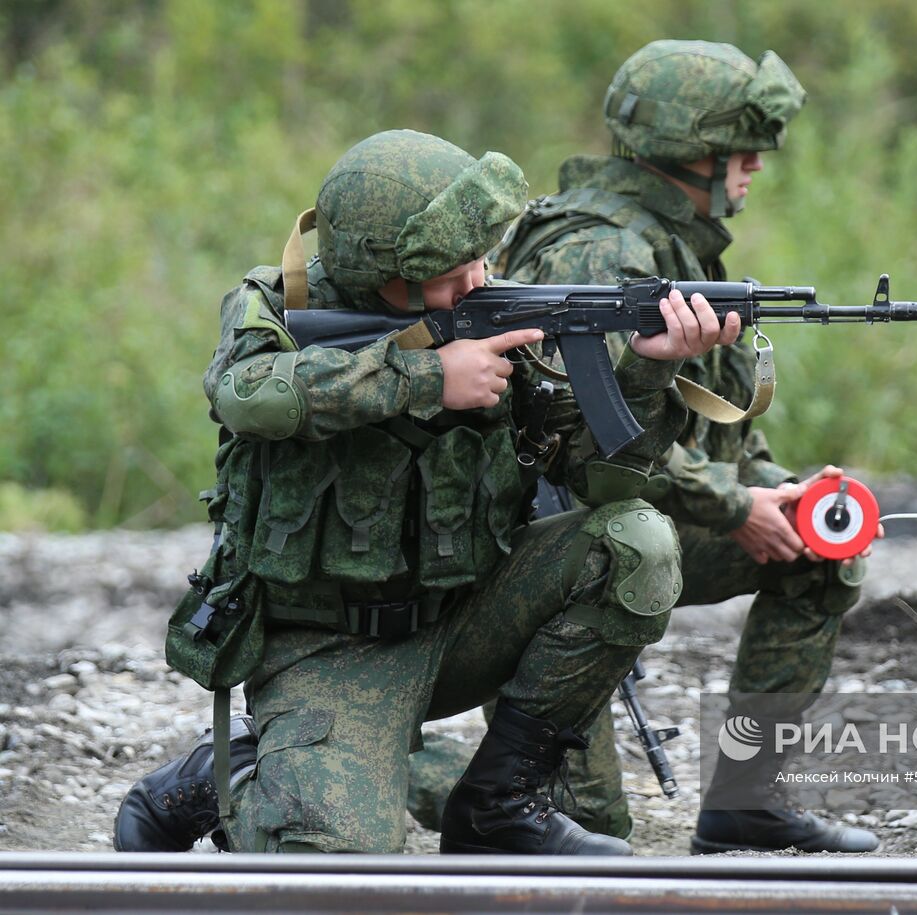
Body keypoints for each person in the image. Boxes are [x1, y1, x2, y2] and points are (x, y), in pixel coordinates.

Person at [112, 128, 740, 855]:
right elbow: (248, 394)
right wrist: (428, 376)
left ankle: (500, 804)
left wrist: (650, 370)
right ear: (386, 269)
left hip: (467, 614)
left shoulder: (495, 308)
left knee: (636, 541)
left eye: (479, 255)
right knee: (336, 866)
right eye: (450, 267)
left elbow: (598, 478)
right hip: (329, 648)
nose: (476, 278)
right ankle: (222, 779)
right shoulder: (278, 305)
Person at [411, 40, 881, 854]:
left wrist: (773, 489)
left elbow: (711, 423)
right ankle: (351, 760)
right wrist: (731, 506)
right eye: (743, 151)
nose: (755, 169)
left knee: (818, 541)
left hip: (638, 525)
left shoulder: (677, 243)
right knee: (582, 834)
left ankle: (747, 801)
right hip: (552, 556)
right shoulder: (600, 248)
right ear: (692, 151)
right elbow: (580, 452)